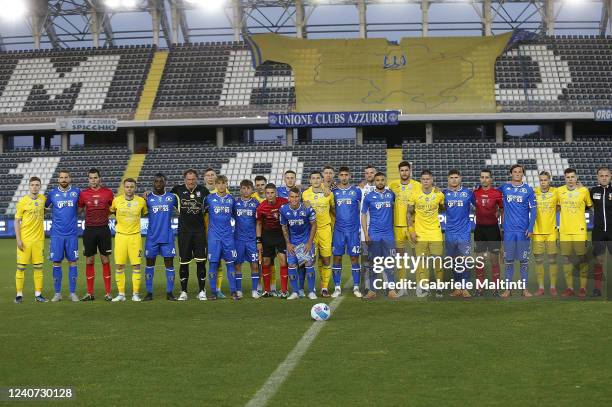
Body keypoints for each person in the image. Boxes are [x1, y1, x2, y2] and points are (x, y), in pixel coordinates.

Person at [499, 164, 537, 298]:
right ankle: (508, 289)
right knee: (508, 261)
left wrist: (530, 227)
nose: (517, 173)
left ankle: (524, 289)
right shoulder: (504, 187)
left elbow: (534, 210)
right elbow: (490, 192)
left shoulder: (528, 190)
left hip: (523, 231)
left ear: (522, 174)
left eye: (519, 172)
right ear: (511, 173)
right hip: (508, 231)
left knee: (524, 261)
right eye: (514, 171)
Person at [171, 169, 209, 301]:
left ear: (196, 179)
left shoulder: (204, 191)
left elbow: (208, 209)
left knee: (201, 262)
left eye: (193, 179)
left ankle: (202, 291)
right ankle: (184, 292)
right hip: (184, 233)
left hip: (199, 232)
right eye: (188, 179)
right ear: (184, 180)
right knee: (184, 263)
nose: (191, 181)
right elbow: (164, 197)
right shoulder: (177, 190)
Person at [407, 170, 445, 298]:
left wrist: (440, 197)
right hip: (420, 234)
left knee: (438, 262)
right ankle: (425, 288)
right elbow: (409, 213)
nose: (426, 181)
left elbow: (443, 208)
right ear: (421, 180)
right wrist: (411, 231)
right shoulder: (415, 194)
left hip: (435, 233)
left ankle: (439, 287)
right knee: (422, 264)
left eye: (428, 179)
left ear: (432, 180)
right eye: (423, 179)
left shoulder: (439, 194)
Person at [78, 168, 114, 301]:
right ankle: (90, 293)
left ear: (100, 178)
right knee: (90, 259)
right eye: (91, 178)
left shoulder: (108, 193)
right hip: (89, 230)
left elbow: (113, 208)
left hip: (104, 229)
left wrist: (105, 214)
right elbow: (79, 210)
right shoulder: (83, 194)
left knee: (105, 259)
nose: (93, 180)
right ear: (88, 180)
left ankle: (108, 293)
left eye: (95, 178)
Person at [361, 172, 398, 300]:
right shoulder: (369, 197)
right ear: (375, 182)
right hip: (374, 234)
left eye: (382, 180)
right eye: (378, 180)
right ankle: (372, 290)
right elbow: (364, 215)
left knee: (390, 262)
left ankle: (391, 289)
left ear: (385, 181)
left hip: (388, 234)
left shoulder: (391, 194)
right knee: (374, 263)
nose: (380, 182)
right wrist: (366, 233)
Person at [110, 178, 147, 302]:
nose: (129, 189)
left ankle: (135, 294)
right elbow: (112, 211)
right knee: (119, 265)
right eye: (127, 187)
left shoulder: (141, 201)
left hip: (135, 237)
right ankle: (121, 294)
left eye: (131, 187)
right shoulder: (117, 201)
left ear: (135, 188)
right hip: (120, 236)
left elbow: (146, 213)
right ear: (123, 187)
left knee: (136, 265)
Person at [46, 170, 81, 302]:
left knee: (73, 261)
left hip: (72, 234)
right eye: (61, 177)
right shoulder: (52, 193)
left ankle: (72, 293)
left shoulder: (77, 192)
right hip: (56, 235)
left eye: (66, 177)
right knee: (56, 262)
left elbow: (82, 206)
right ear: (58, 179)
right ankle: (57, 293)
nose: (64, 179)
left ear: (70, 179)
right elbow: (44, 208)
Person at [558, 168, 593, 297]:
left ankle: (583, 288)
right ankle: (570, 288)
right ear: (565, 178)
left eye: (572, 177)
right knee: (566, 259)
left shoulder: (584, 191)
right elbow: (555, 206)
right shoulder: (559, 191)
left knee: (582, 258)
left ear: (576, 178)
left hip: (580, 231)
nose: (570, 179)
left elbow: (590, 205)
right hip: (565, 231)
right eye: (568, 177)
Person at [388, 161, 421, 297]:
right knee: (400, 258)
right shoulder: (392, 186)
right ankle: (402, 286)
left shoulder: (417, 185)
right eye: (402, 170)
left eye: (406, 170)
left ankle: (420, 285)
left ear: (410, 171)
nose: (404, 173)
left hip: (412, 226)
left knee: (417, 257)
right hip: (397, 227)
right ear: (399, 171)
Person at [143, 173, 178, 301]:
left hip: (167, 237)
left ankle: (169, 293)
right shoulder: (147, 198)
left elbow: (181, 210)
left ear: (165, 183)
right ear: (153, 183)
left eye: (161, 181)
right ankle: (149, 293)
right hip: (152, 238)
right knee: (149, 264)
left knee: (169, 264)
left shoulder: (171, 197)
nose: (158, 184)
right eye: (156, 181)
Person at [205, 175, 239, 300]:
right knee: (213, 264)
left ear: (226, 184)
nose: (221, 186)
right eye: (218, 183)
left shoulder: (231, 199)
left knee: (230, 264)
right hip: (214, 238)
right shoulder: (209, 198)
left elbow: (236, 216)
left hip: (228, 237)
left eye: (223, 183)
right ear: (215, 185)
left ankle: (233, 291)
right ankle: (213, 292)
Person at [280, 187, 318, 300]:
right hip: (292, 244)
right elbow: (284, 227)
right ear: (288, 198)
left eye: (297, 197)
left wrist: (309, 243)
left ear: (300, 197)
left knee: (308, 264)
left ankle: (311, 292)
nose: (294, 199)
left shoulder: (307, 208)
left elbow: (314, 225)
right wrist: (288, 243)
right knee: (291, 266)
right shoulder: (283, 209)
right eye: (292, 197)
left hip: (305, 242)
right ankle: (295, 292)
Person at [443, 169, 475, 298]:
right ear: (448, 179)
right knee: (455, 261)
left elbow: (478, 206)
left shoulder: (468, 193)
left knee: (465, 260)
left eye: (456, 177)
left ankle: (465, 287)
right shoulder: (444, 194)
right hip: (450, 232)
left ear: (460, 178)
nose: (454, 179)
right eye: (451, 177)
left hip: (464, 232)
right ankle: (457, 288)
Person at [14, 177, 47, 303]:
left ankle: (38, 294)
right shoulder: (22, 202)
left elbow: (47, 208)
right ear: (29, 186)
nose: (34, 187)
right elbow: (17, 221)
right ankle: (19, 294)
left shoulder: (43, 199)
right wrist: (18, 239)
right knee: (21, 268)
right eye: (32, 185)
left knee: (38, 268)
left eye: (37, 185)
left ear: (40, 186)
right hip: (25, 240)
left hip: (39, 240)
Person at [331, 166, 363, 298]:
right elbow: (331, 208)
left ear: (350, 176)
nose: (344, 177)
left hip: (353, 230)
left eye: (346, 175)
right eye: (342, 175)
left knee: (354, 258)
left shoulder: (356, 191)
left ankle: (356, 287)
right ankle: (337, 287)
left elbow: (363, 209)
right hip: (338, 230)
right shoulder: (334, 192)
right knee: (337, 257)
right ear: (339, 176)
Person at [303, 171, 335, 297]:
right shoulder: (305, 194)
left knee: (326, 259)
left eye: (318, 178)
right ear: (310, 180)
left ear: (321, 180)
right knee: (310, 260)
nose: (315, 180)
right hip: (311, 231)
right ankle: (312, 289)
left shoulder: (328, 193)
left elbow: (333, 210)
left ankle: (324, 287)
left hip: (325, 230)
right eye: (313, 178)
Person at [473, 169, 504, 296]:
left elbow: (502, 209)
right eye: (482, 177)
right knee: (479, 260)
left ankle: (495, 289)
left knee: (494, 260)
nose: (484, 179)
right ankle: (479, 289)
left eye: (487, 177)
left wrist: (501, 224)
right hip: (479, 229)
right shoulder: (474, 193)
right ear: (480, 179)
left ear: (491, 179)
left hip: (493, 230)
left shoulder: (497, 193)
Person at [256, 183, 289, 297]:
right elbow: (259, 224)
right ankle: (267, 290)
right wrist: (259, 241)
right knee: (266, 262)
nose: (270, 195)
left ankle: (284, 291)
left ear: (276, 193)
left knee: (283, 261)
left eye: (272, 193)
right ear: (265, 194)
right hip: (267, 236)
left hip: (281, 234)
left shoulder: (284, 202)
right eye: (268, 193)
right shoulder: (261, 207)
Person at [532, 171, 559, 296]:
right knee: (538, 260)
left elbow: (561, 205)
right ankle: (541, 288)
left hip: (551, 232)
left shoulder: (556, 192)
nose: (543, 182)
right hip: (537, 232)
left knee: (552, 260)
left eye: (545, 180)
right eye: (541, 180)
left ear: (549, 180)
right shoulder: (534, 192)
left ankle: (553, 287)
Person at [234, 179, 262, 299]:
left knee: (254, 265)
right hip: (238, 239)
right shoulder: (235, 203)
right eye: (244, 188)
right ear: (240, 189)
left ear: (252, 190)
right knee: (238, 265)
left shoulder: (256, 204)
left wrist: (258, 240)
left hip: (251, 240)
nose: (246, 191)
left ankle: (254, 290)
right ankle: (239, 290)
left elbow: (259, 223)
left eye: (248, 188)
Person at [252, 175, 279, 296]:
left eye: (262, 184)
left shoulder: (273, 196)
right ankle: (258, 287)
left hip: (270, 234)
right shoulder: (252, 198)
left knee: (271, 261)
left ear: (266, 184)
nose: (260, 187)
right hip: (256, 234)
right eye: (257, 185)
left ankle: (272, 287)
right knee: (259, 262)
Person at [590, 166, 611, 297]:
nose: (604, 178)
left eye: (606, 175)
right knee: (599, 261)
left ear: (610, 177)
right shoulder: (593, 191)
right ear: (598, 177)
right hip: (598, 231)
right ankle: (597, 288)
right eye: (601, 176)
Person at [359, 165, 377, 294]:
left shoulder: (384, 189)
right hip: (364, 230)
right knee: (365, 259)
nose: (369, 175)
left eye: (371, 172)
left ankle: (377, 285)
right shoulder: (359, 189)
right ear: (365, 175)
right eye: (367, 173)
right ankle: (365, 286)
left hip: (379, 230)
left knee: (379, 260)